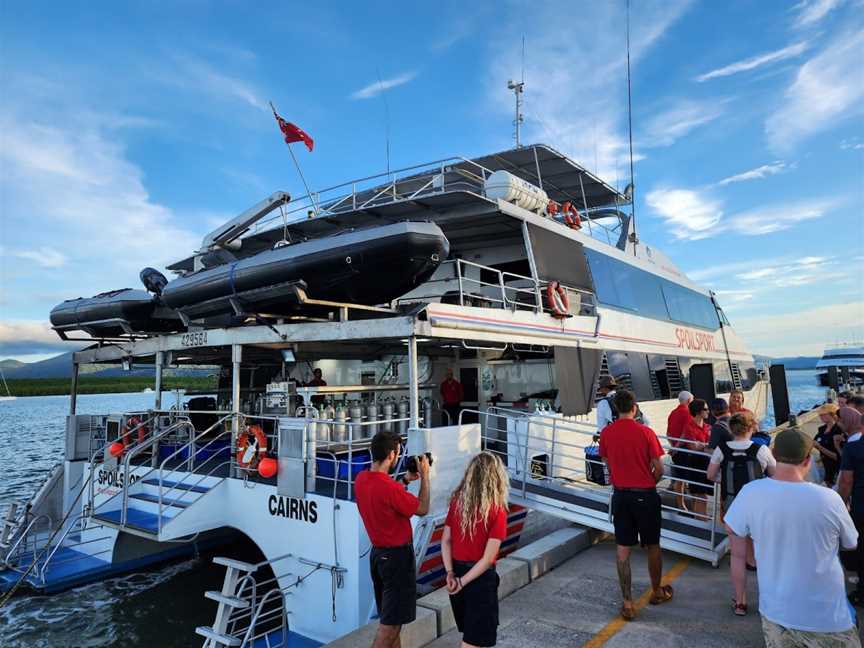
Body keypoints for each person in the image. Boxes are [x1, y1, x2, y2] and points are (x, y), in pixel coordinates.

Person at [725, 428, 860, 646]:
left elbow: (732, 528)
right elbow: (851, 543)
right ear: (807, 460)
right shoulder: (829, 499)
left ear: (774, 454)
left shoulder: (751, 492)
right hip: (827, 617)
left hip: (776, 613)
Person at [599, 389, 671, 621]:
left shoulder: (607, 434)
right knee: (653, 545)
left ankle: (628, 604)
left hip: (620, 495)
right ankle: (657, 591)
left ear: (615, 409)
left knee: (622, 549)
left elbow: (608, 465)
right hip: (645, 495)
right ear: (635, 407)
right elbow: (660, 468)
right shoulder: (646, 432)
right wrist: (648, 482)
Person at [355, 432, 431, 648]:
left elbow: (384, 490)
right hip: (397, 559)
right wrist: (425, 476)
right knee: (390, 627)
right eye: (398, 453)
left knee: (391, 620)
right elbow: (423, 508)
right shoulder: (390, 488)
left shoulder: (361, 480)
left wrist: (405, 479)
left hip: (379, 557)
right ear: (391, 454)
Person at [707, 412, 776, 616]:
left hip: (732, 505)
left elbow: (710, 475)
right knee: (764, 553)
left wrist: (725, 481)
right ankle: (769, 600)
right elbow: (774, 475)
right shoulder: (761, 450)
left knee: (737, 555)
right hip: (758, 507)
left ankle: (740, 602)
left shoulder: (721, 449)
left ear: (731, 429)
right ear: (752, 428)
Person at [441, 452, 509, 647]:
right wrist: (462, 582)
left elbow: (446, 541)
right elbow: (488, 559)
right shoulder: (497, 510)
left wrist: (450, 573)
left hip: (458, 574)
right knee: (472, 641)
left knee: (475, 637)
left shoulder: (457, 503)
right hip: (478, 582)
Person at [840, 411, 864, 607]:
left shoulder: (853, 448)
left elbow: (847, 480)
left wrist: (841, 502)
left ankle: (862, 593)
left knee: (861, 548)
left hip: (861, 505)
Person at [680, 398, 712, 518]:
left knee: (703, 494)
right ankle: (701, 520)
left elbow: (709, 445)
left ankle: (700, 518)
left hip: (705, 462)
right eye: (705, 409)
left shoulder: (708, 426)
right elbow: (693, 447)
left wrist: (702, 445)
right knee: (700, 495)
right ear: (698, 411)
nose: (708, 411)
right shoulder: (689, 427)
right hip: (695, 462)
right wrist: (705, 446)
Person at [667, 391, 693, 512]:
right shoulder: (688, 413)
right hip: (684, 449)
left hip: (676, 450)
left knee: (679, 479)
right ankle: (690, 505)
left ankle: (681, 504)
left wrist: (673, 447)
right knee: (690, 477)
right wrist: (677, 447)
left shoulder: (672, 413)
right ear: (689, 401)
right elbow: (685, 433)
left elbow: (668, 433)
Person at [813, 403, 843, 487]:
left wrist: (819, 447)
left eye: (823, 414)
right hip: (824, 465)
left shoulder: (839, 430)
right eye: (820, 415)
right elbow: (813, 442)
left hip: (835, 468)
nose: (820, 416)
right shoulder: (822, 429)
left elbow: (837, 457)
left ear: (832, 415)